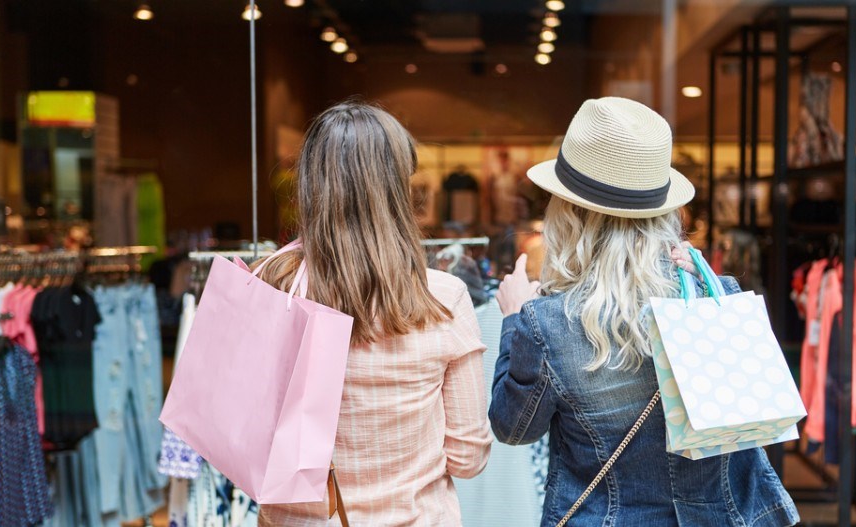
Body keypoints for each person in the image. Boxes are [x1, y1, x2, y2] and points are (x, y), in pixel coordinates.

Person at [490, 97, 799, 527]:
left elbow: (514, 429)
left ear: (571, 213)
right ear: (662, 211)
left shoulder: (547, 322)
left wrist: (513, 321)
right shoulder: (717, 299)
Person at [256, 102, 492, 526]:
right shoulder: (442, 298)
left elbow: (245, 435)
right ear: (398, 190)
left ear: (311, 186)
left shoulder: (273, 288)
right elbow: (468, 458)